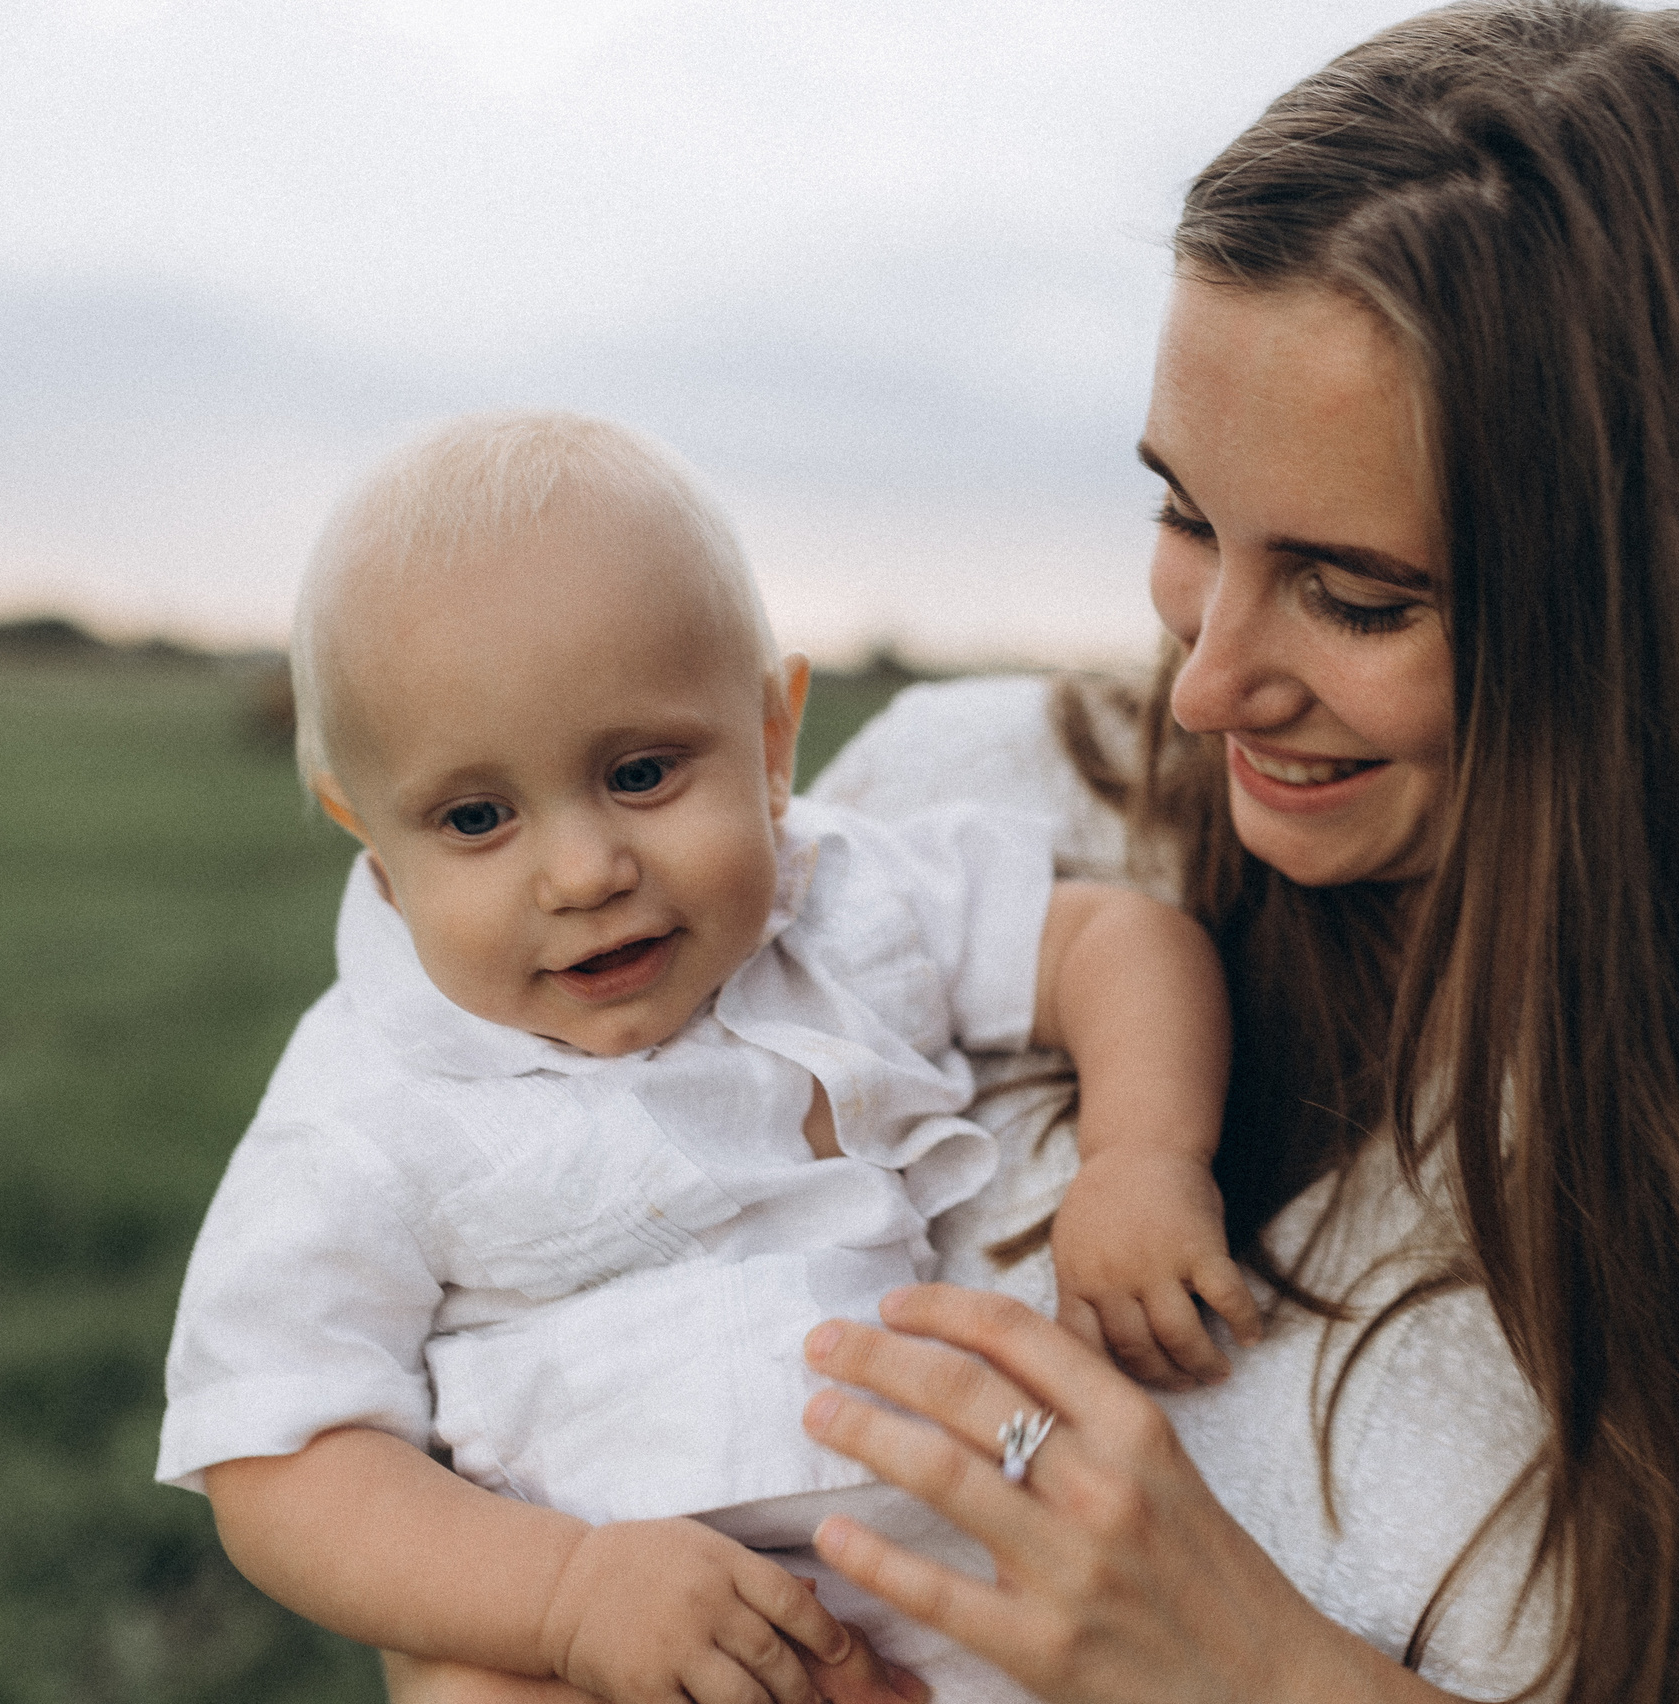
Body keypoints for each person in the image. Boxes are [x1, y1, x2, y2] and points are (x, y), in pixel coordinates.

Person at [784, 4, 1679, 1704]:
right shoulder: (971, 801)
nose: (1206, 684)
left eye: (1357, 593)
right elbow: (484, 1364)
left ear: (1665, 601)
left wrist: (1260, 1675)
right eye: (1186, 517)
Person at [154, 412, 1255, 1704]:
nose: (583, 870)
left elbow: (1113, 943)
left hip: (984, 1612)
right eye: (476, 816)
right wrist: (565, 1596)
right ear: (369, 832)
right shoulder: (365, 1110)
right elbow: (282, 1460)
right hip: (622, 1641)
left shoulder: (844, 901)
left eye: (639, 773)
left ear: (773, 739)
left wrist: (1140, 1158)